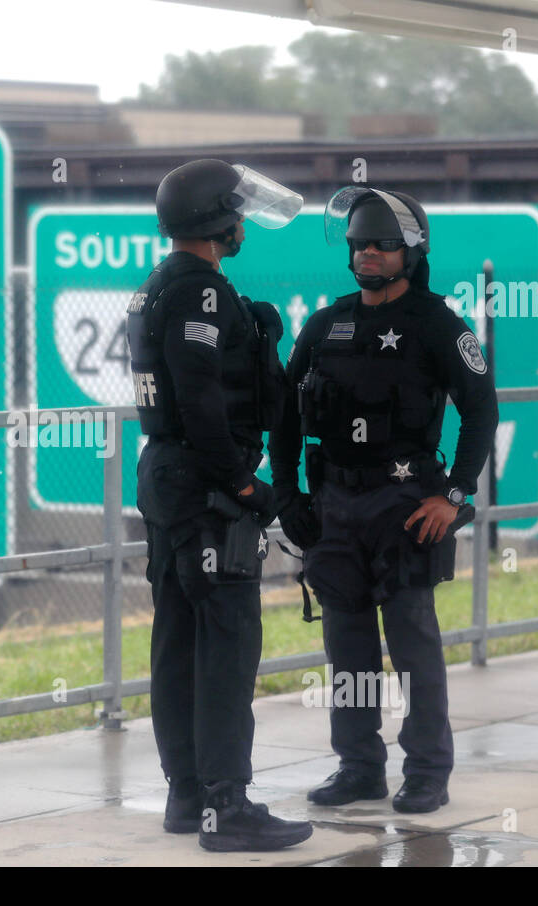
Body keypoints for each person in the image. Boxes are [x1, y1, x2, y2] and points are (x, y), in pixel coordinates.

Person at [271, 186, 499, 813]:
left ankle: (426, 770)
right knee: (347, 649)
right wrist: (286, 492)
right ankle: (359, 767)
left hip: (406, 506)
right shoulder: (324, 324)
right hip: (334, 508)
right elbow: (286, 418)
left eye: (382, 245)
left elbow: (481, 414)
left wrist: (454, 495)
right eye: (359, 244)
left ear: (411, 250)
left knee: (412, 643)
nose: (368, 253)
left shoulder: (439, 325)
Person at [129, 158, 313, 851]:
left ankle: (187, 797)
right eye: (235, 212)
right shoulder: (201, 292)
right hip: (204, 486)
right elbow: (202, 398)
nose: (242, 223)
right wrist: (243, 485)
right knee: (229, 644)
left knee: (178, 639)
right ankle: (226, 808)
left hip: (167, 478)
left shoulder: (157, 287)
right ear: (215, 220)